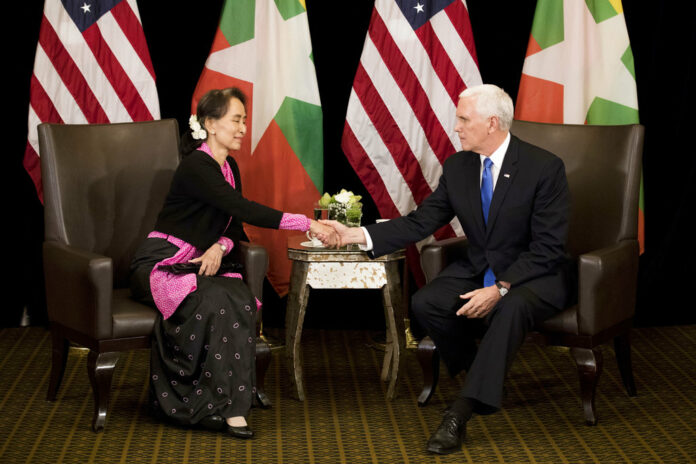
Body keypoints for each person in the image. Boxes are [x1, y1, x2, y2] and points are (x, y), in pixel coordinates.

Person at [322, 84, 573, 454]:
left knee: (511, 306)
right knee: (427, 303)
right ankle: (481, 374)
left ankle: (460, 413)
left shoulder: (544, 167)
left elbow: (549, 248)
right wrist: (355, 235)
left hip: (535, 273)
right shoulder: (459, 167)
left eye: (463, 119)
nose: (455, 126)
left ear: (491, 123)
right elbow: (419, 222)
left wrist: (501, 288)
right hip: (480, 266)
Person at [130, 87, 336, 439]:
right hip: (162, 263)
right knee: (212, 302)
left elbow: (233, 226)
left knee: (239, 298)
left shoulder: (230, 166)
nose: (243, 128)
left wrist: (218, 248)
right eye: (236, 120)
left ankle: (229, 402)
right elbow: (245, 209)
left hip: (199, 262)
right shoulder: (197, 164)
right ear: (210, 124)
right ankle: (201, 404)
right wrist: (308, 222)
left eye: (244, 120)